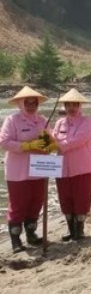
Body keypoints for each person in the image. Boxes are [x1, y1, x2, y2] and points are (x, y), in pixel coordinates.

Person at [0, 86, 54, 253]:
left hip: (39, 168)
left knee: (36, 202)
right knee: (18, 205)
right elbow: (4, 142)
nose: (31, 106)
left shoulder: (42, 120)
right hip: (18, 171)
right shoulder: (12, 120)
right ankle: (16, 240)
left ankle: (31, 234)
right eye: (27, 103)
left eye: (34, 103)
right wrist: (26, 145)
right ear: (20, 104)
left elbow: (51, 142)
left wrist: (47, 144)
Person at [51, 88, 91, 241]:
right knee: (65, 198)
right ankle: (71, 230)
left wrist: (58, 145)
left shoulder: (87, 122)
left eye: (74, 104)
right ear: (64, 106)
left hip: (83, 167)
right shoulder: (59, 123)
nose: (71, 108)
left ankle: (80, 231)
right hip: (62, 167)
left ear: (80, 106)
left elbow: (78, 140)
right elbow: (53, 138)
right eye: (68, 104)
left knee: (81, 198)